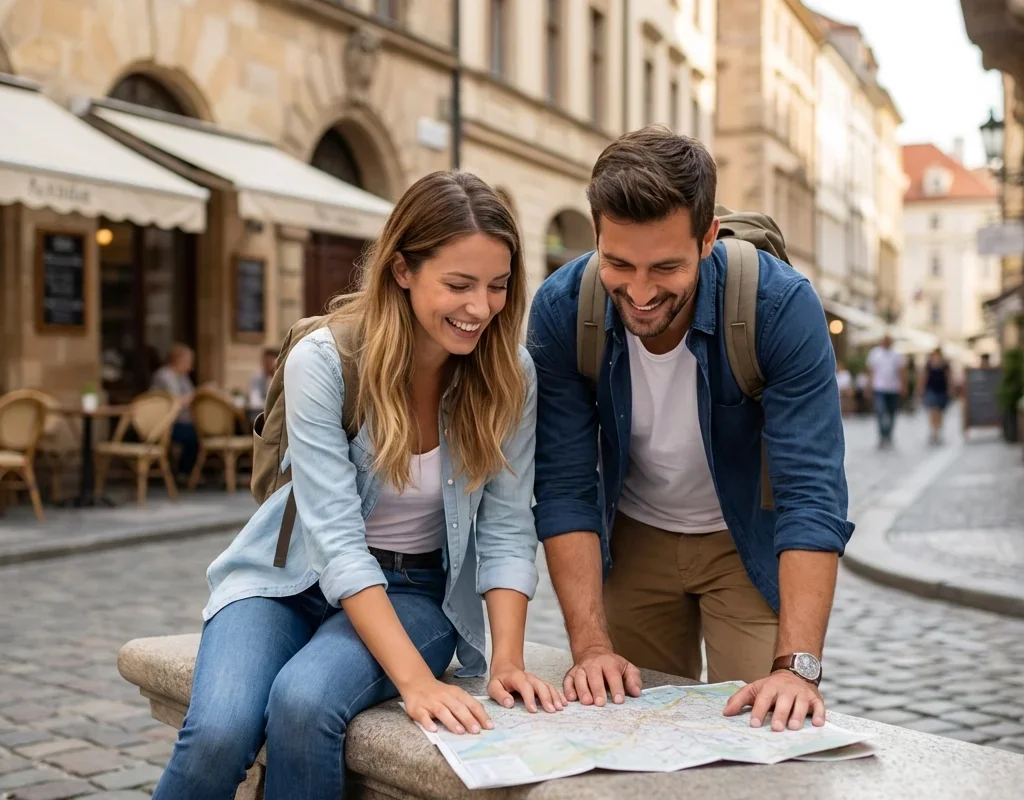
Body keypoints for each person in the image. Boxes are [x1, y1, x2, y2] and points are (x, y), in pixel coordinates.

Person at [153, 171, 564, 800]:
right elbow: (338, 545)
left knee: (303, 702)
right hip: (283, 579)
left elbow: (509, 525)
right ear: (402, 270)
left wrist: (507, 658)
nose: (480, 307)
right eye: (458, 284)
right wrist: (416, 683)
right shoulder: (325, 359)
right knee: (217, 731)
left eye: (498, 286)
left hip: (411, 588)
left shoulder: (510, 374)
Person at [528, 126, 854, 735]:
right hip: (633, 540)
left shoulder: (781, 307)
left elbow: (810, 491)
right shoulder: (562, 308)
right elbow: (565, 484)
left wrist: (798, 668)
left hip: (746, 543)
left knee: (762, 729)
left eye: (666, 266)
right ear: (596, 232)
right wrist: (591, 647)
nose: (642, 292)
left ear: (708, 239)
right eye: (618, 263)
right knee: (627, 727)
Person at [150, 343, 198, 479]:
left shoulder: (183, 376)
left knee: (199, 432)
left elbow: (191, 396)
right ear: (179, 360)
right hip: (162, 425)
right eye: (189, 361)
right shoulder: (165, 375)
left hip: (178, 421)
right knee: (194, 435)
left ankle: (186, 472)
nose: (191, 365)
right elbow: (176, 401)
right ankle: (184, 472)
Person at [866, 335, 906, 448]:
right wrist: (868, 386)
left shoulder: (897, 354)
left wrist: (903, 385)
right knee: (880, 411)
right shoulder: (875, 353)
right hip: (879, 387)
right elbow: (870, 371)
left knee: (892, 412)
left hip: (893, 388)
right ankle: (882, 434)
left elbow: (902, 371)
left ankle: (889, 434)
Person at [921, 348, 951, 445]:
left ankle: (938, 431)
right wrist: (921, 388)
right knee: (933, 411)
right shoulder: (929, 364)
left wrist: (950, 389)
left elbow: (948, 377)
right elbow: (924, 376)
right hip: (931, 390)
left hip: (942, 390)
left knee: (940, 412)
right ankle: (933, 432)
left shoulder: (945, 365)